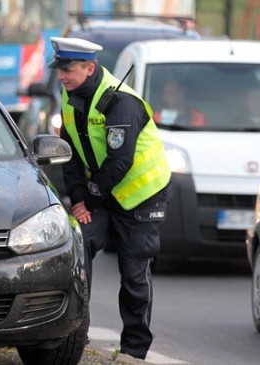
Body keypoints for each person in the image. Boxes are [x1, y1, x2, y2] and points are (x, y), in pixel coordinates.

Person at [49, 37, 171, 360]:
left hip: (142, 196)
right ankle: (76, 334)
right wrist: (78, 199)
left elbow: (120, 162)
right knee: (76, 247)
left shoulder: (122, 103)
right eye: (59, 68)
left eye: (67, 69)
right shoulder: (70, 96)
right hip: (101, 193)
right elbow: (71, 153)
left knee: (133, 273)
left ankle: (133, 351)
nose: (61, 76)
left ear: (90, 68)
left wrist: (88, 200)